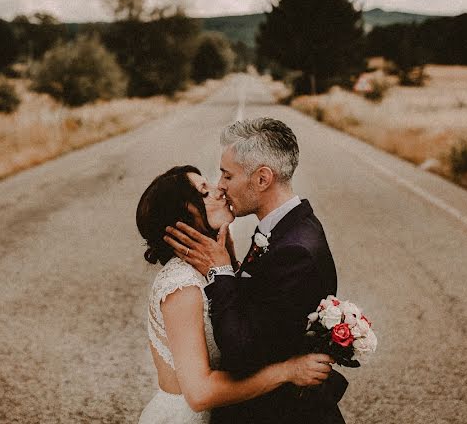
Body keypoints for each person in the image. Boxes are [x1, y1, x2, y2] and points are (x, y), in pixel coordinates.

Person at [164, 118, 346, 424]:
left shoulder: (294, 250)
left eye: (227, 175)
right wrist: (231, 264)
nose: (220, 185)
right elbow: (264, 307)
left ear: (262, 179)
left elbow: (243, 350)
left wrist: (220, 272)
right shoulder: (286, 228)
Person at [137, 165, 334, 424]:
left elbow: (237, 316)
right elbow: (199, 393)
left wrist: (229, 267)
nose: (219, 189)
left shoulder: (209, 266)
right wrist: (288, 371)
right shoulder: (180, 286)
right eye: (204, 193)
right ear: (182, 218)